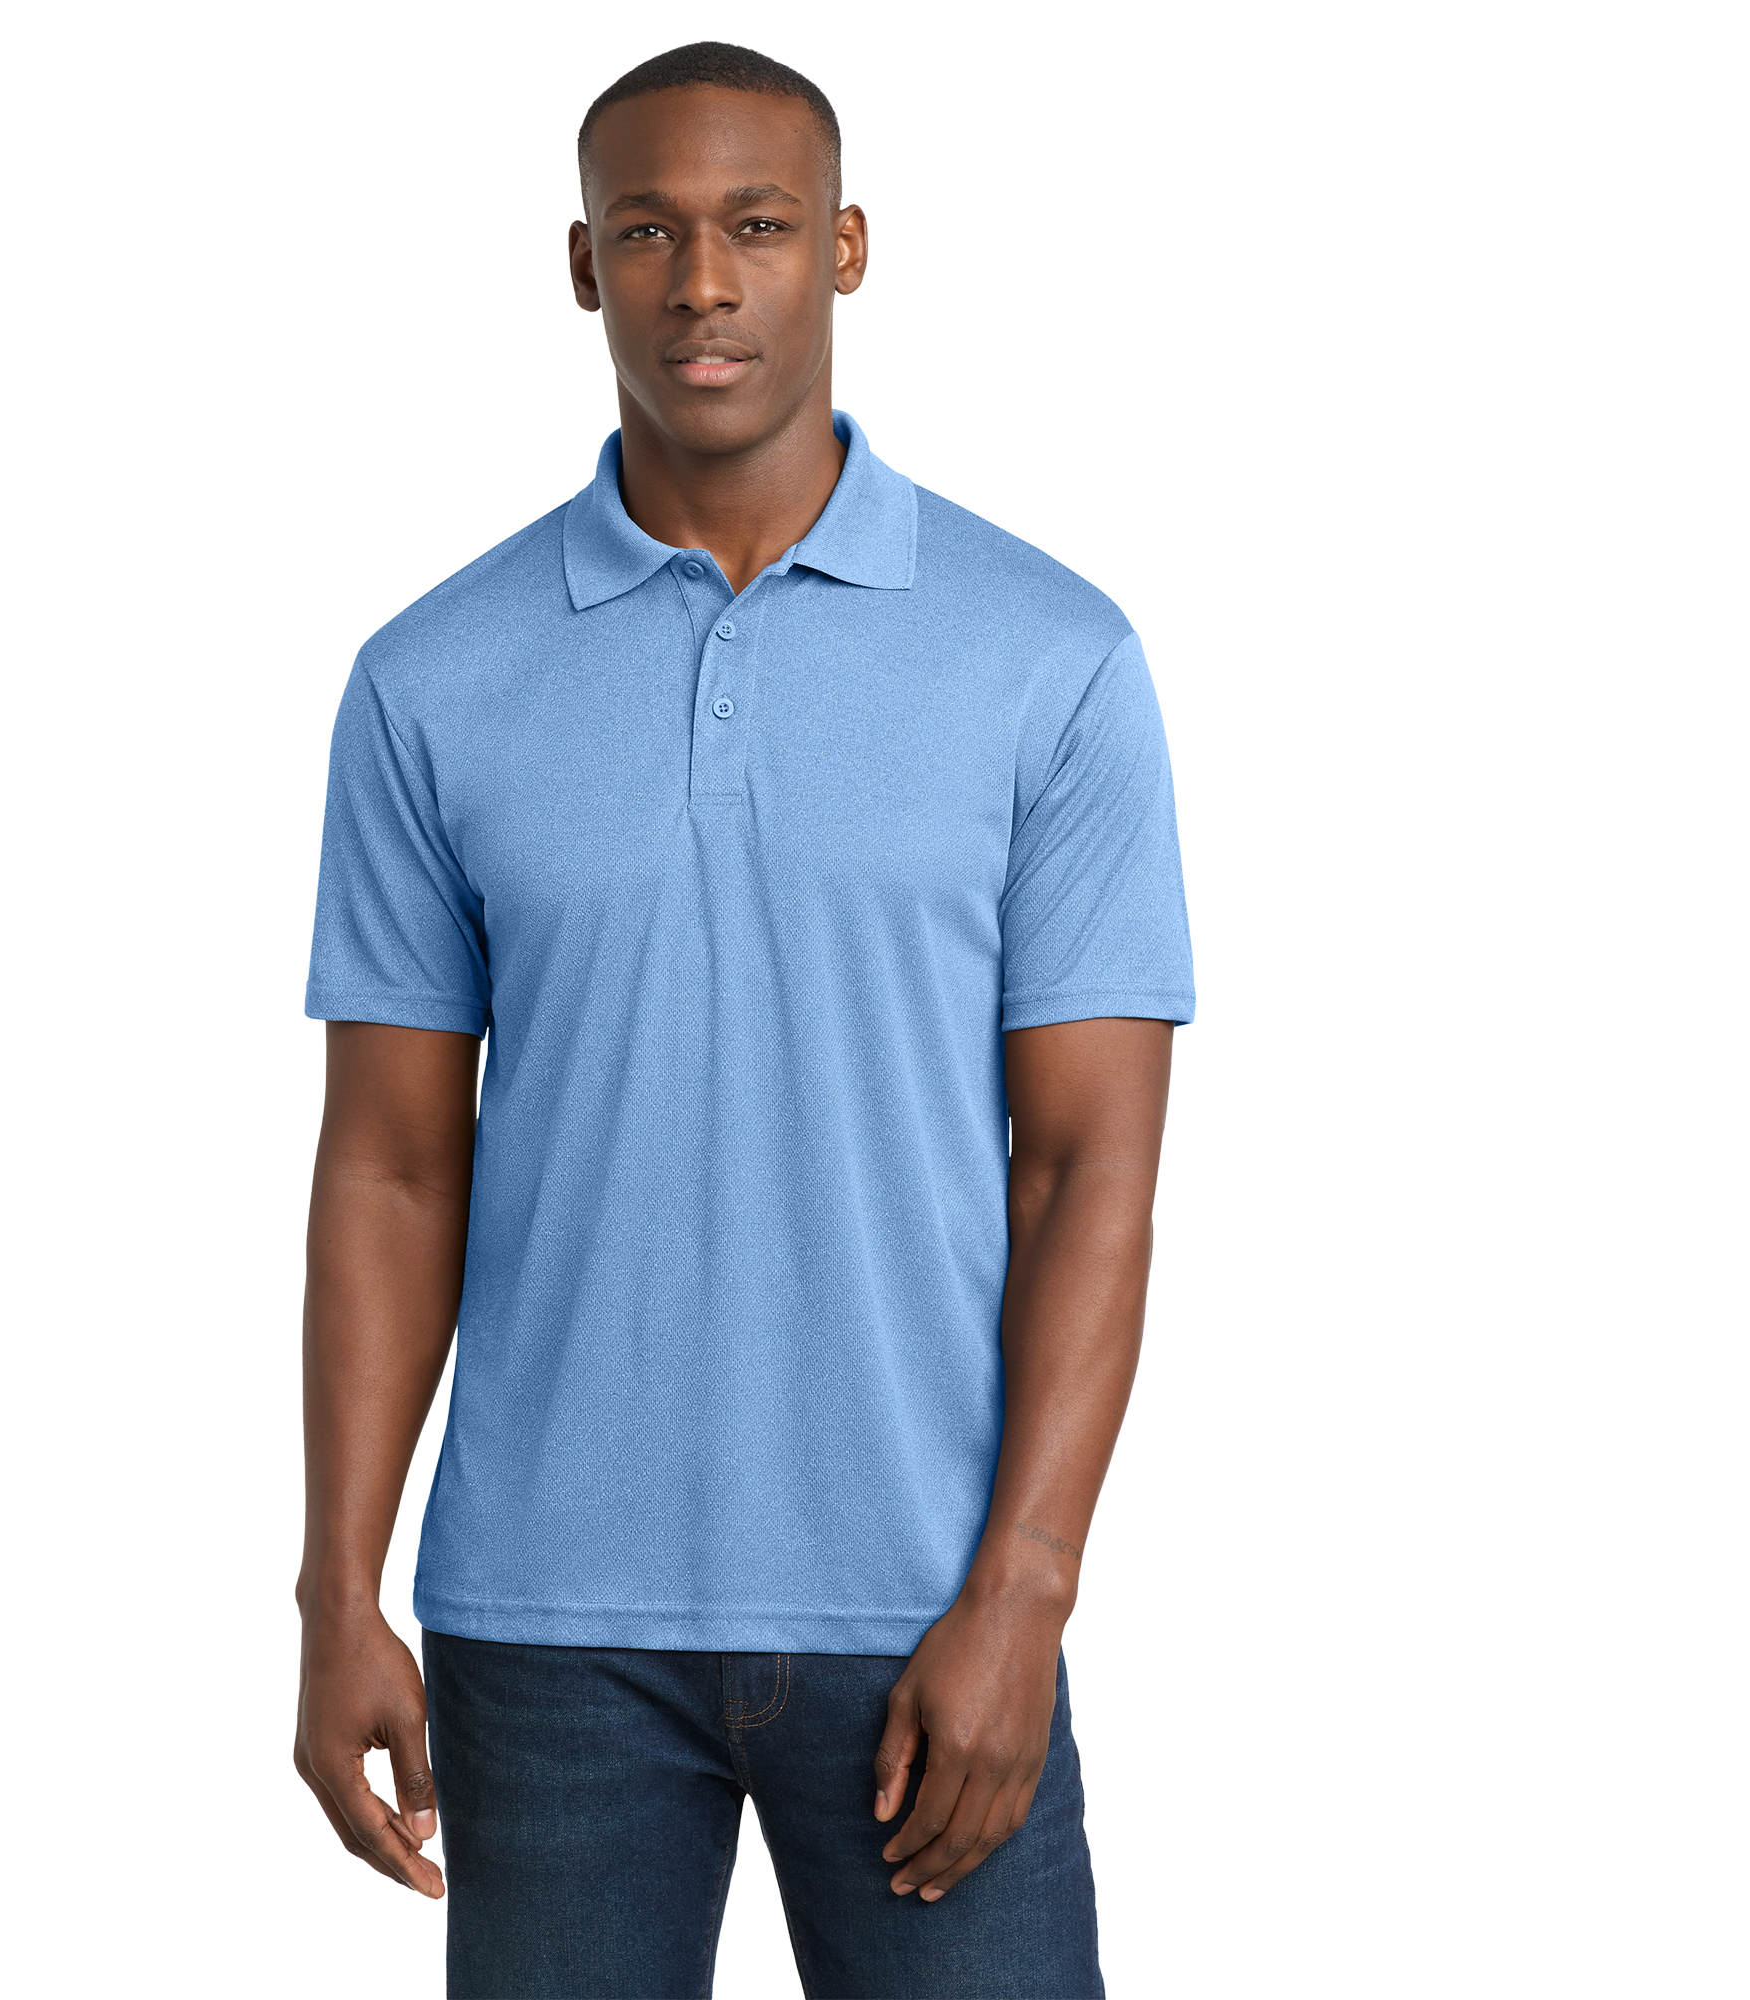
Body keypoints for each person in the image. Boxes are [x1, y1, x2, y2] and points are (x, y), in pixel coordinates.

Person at [293, 40, 1195, 1999]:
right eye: (648, 233)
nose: (702, 282)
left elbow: (1089, 1168)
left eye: (758, 226)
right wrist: (334, 1587)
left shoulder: (1050, 660)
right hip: (547, 1626)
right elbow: (389, 1168)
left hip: (927, 1606)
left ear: (844, 249)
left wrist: (1024, 1591)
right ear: (582, 266)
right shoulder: (430, 680)